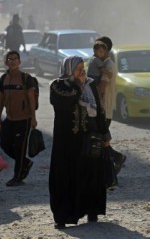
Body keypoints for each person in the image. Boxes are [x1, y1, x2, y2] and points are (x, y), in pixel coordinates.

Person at [49, 56, 110, 229]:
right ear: (69, 70)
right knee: (65, 176)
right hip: (66, 141)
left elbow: (98, 109)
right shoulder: (58, 85)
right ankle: (62, 216)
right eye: (78, 69)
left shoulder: (89, 84)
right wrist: (78, 84)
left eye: (83, 68)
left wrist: (104, 131)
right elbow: (66, 100)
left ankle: (91, 210)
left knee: (91, 174)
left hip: (89, 137)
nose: (82, 72)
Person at [0, 50, 37, 187]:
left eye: (15, 59)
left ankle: (18, 177)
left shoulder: (26, 78)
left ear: (19, 62)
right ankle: (25, 162)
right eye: (10, 59)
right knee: (4, 144)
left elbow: (31, 98)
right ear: (6, 62)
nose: (12, 61)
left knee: (20, 148)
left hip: (23, 119)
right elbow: (1, 99)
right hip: (9, 119)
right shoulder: (4, 78)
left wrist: (33, 117)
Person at [94, 36, 127, 176]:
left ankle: (115, 159)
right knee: (100, 138)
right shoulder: (104, 65)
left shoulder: (107, 66)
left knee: (100, 139)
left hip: (103, 109)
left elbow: (101, 88)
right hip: (103, 108)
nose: (95, 52)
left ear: (105, 49)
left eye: (98, 49)